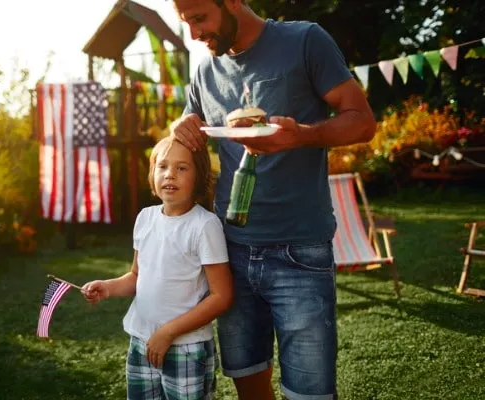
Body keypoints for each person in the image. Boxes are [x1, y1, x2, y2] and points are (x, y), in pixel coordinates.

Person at [170, 1, 377, 399]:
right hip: (228, 253)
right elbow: (188, 136)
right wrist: (180, 125)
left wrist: (301, 134)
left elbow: (362, 121)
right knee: (248, 383)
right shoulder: (204, 71)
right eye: (186, 23)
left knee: (309, 392)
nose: (194, 34)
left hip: (300, 249)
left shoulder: (304, 40)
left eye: (200, 19)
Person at [81, 136, 234, 399]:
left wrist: (168, 332)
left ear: (199, 176)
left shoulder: (204, 226)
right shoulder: (145, 218)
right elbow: (136, 276)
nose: (170, 174)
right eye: (162, 166)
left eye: (182, 168)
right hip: (142, 343)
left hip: (186, 347)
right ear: (152, 174)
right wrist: (107, 287)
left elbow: (222, 297)